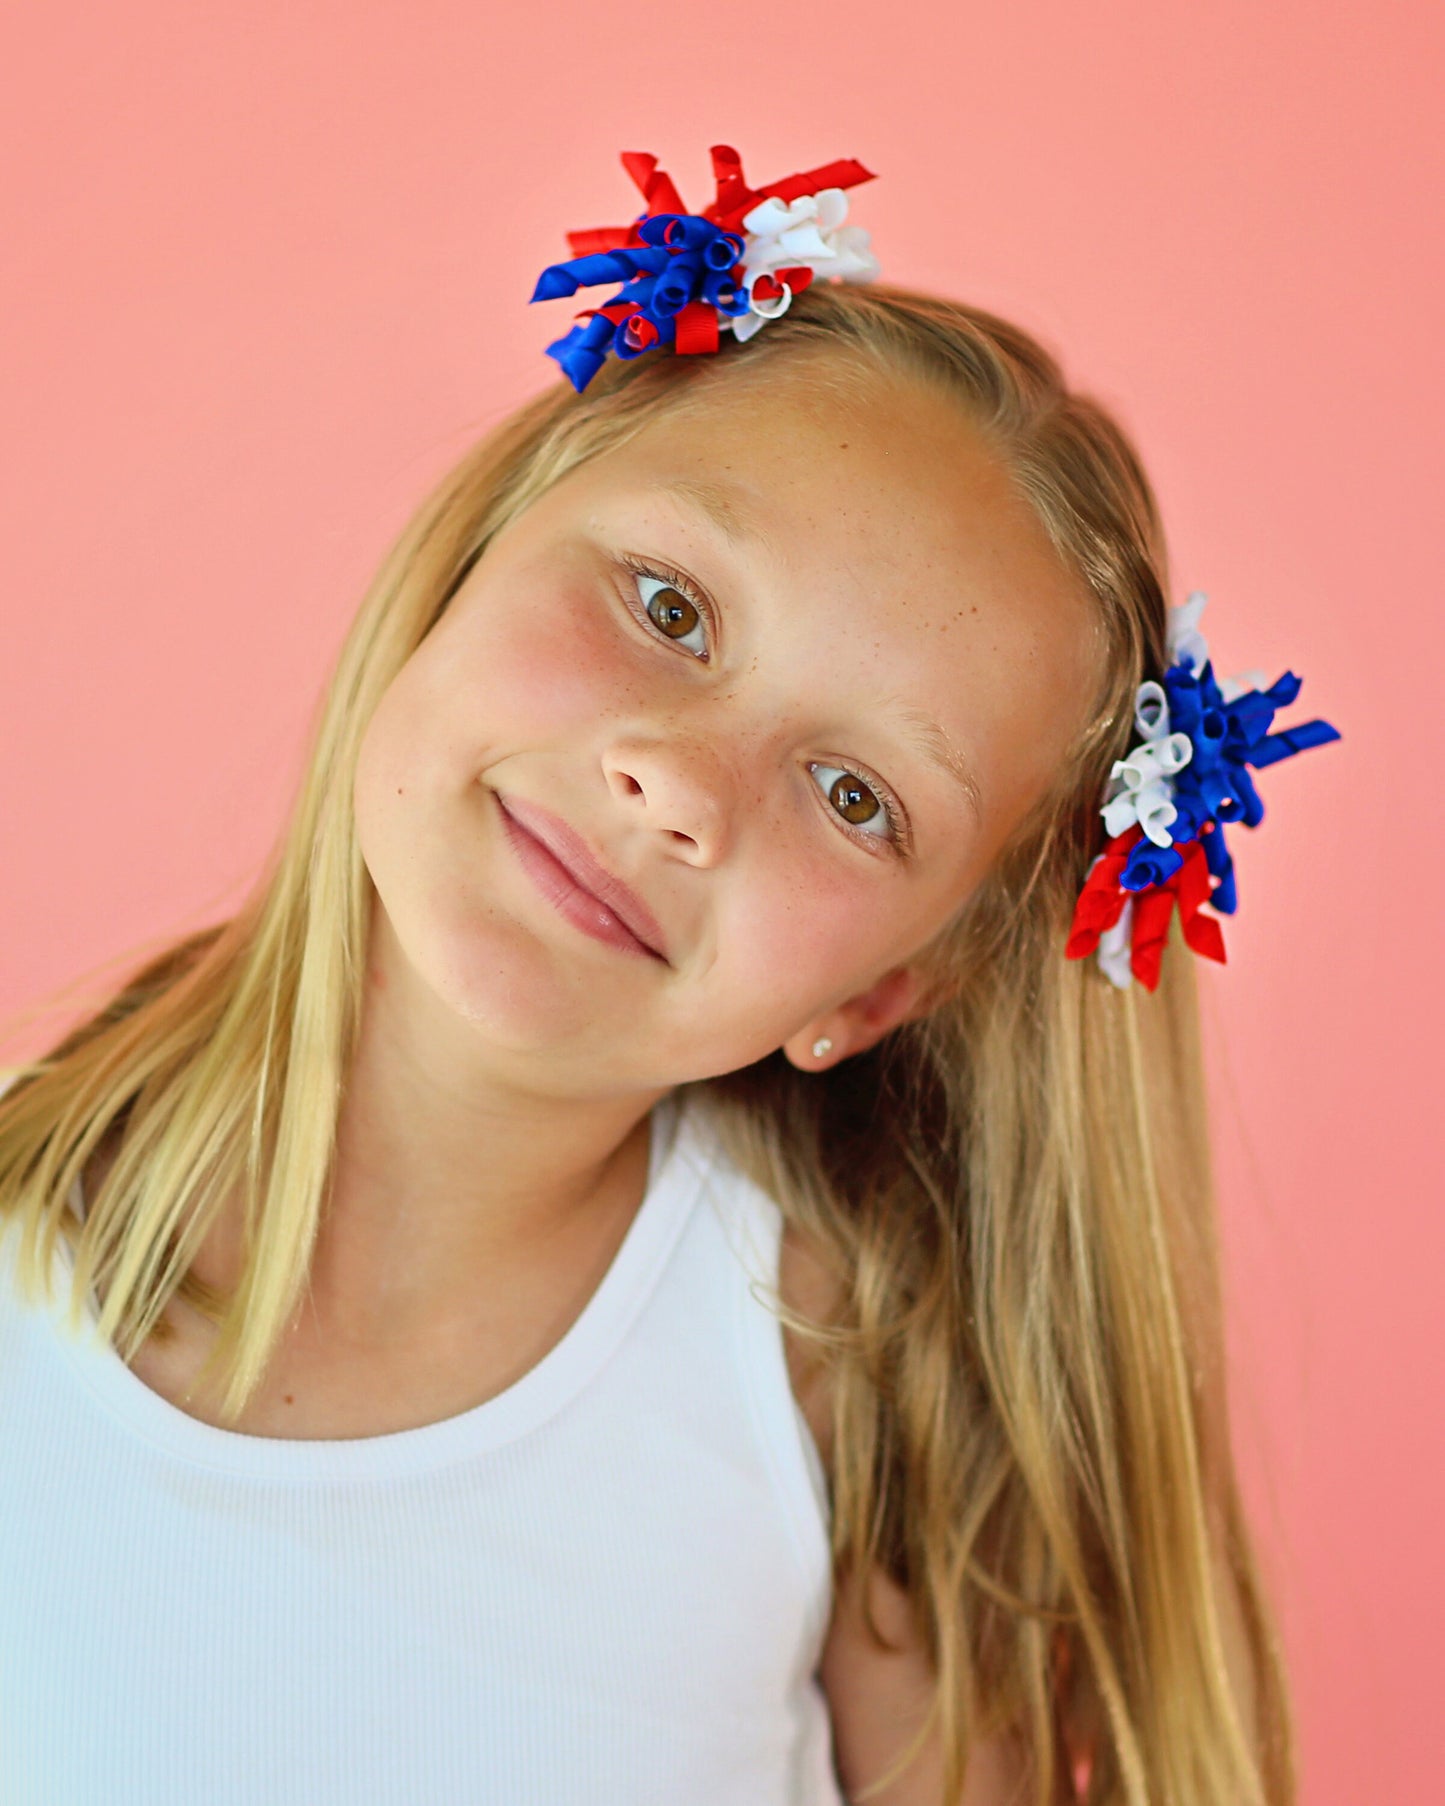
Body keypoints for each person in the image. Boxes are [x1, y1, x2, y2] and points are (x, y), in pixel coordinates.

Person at [0, 147, 1314, 1806]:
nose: (682, 786)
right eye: (669, 605)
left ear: (879, 996)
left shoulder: (835, 1403)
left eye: (856, 798)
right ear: (476, 545)